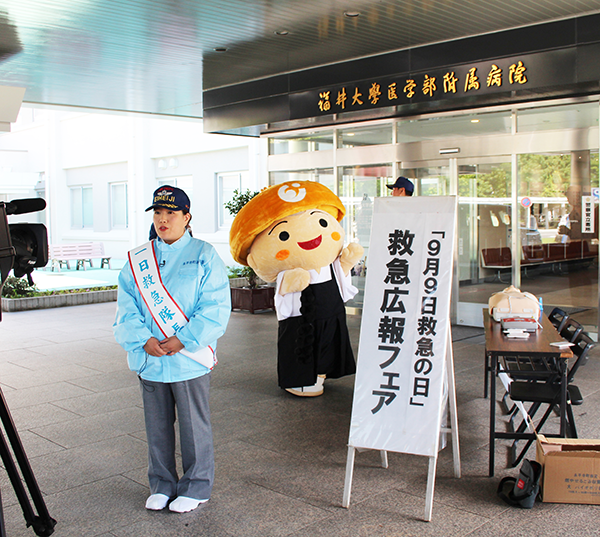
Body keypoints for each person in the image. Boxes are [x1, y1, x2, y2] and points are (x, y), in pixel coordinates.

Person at [113, 185, 231, 513]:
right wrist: (143, 339)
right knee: (157, 427)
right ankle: (162, 484)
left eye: (171, 213)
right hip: (150, 358)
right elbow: (126, 308)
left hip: (188, 358)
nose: (163, 219)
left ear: (186, 217)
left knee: (194, 426)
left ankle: (196, 486)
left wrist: (183, 339)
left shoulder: (204, 254)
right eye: (158, 213)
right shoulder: (138, 260)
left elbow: (215, 307)